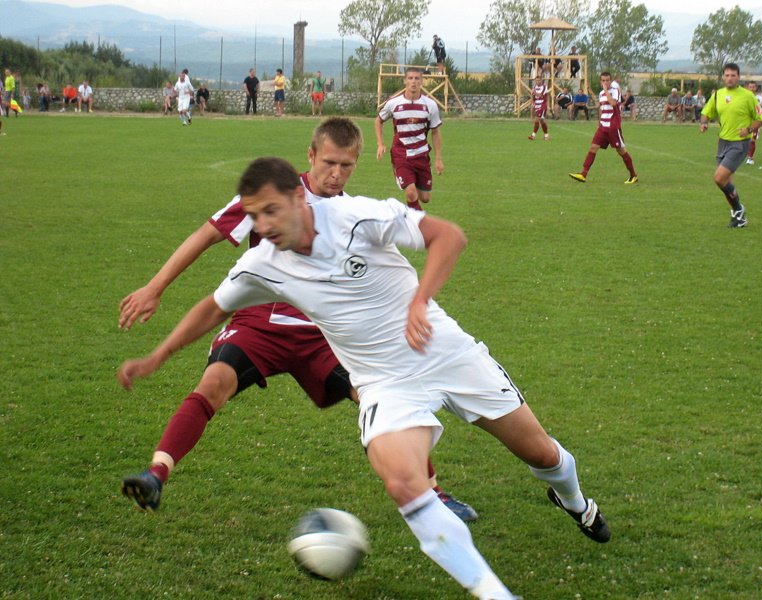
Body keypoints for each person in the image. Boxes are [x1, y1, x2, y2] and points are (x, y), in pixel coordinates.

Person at [120, 156, 611, 599]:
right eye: (253, 216)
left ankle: (575, 502)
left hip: (445, 352)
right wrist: (158, 355)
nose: (262, 226)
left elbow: (448, 236)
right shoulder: (261, 264)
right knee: (403, 481)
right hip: (384, 384)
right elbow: (212, 308)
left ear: (298, 196)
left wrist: (419, 301)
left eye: (270, 211)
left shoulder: (356, 216)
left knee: (543, 453)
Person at [118, 118, 477, 523]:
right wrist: (155, 287)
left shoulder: (350, 211)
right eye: (328, 163)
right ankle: (155, 475)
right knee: (215, 382)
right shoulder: (274, 195)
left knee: (381, 398)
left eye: (346, 166)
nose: (336, 174)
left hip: (323, 334)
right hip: (259, 323)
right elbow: (208, 234)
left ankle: (434, 493)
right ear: (310, 156)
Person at [699, 62, 762, 228]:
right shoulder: (718, 95)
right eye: (727, 75)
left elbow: (760, 119)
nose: (729, 78)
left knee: (719, 178)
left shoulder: (748, 96)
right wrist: (704, 123)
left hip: (740, 144)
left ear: (739, 77)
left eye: (733, 75)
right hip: (722, 142)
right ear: (723, 77)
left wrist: (749, 129)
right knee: (726, 183)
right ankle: (738, 217)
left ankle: (739, 209)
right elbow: (706, 112)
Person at [375, 66, 444, 211]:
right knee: (411, 193)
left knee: (425, 198)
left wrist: (438, 158)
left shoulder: (430, 105)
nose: (413, 81)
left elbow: (436, 132)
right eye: (410, 78)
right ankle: (419, 225)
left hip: (421, 155)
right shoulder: (394, 103)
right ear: (404, 81)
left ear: (422, 82)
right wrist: (380, 144)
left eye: (417, 78)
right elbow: (378, 120)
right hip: (401, 154)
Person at [569, 71, 638, 185]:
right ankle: (583, 174)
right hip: (603, 126)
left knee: (621, 150)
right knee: (593, 147)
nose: (605, 82)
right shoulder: (601, 94)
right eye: (603, 80)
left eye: (607, 80)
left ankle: (633, 175)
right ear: (600, 81)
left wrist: (606, 90)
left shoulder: (614, 91)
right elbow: (602, 108)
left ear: (610, 81)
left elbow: (612, 103)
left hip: (613, 126)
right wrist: (599, 122)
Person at [746, 81, 762, 165]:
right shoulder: (743, 97)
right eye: (750, 87)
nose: (752, 88)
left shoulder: (760, 99)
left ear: (756, 88)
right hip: (744, 122)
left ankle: (750, 158)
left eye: (753, 87)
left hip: (755, 122)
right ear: (747, 88)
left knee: (752, 140)